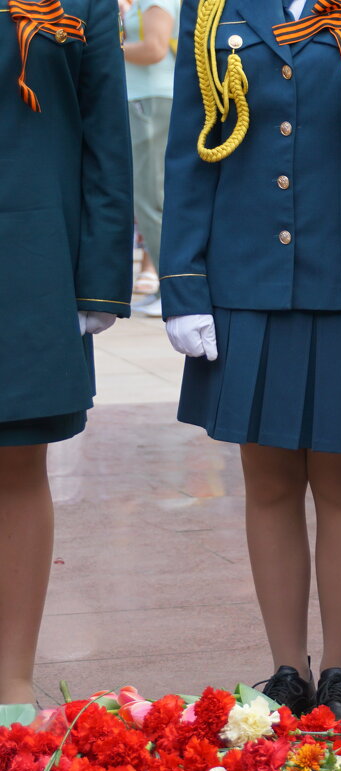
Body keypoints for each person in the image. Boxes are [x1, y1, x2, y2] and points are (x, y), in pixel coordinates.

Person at [159, 0, 341, 725]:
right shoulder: (213, 11)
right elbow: (189, 143)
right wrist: (182, 281)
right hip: (246, 274)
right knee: (265, 477)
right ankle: (286, 671)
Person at [0, 0, 132, 706]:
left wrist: (100, 280)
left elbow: (107, 137)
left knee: (19, 458)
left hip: (31, 256)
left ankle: (10, 678)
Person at [118, 0, 179, 317]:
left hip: (151, 101)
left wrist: (104, 46)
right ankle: (165, 287)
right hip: (147, 100)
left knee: (151, 198)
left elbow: (154, 48)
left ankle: (171, 288)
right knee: (150, 197)